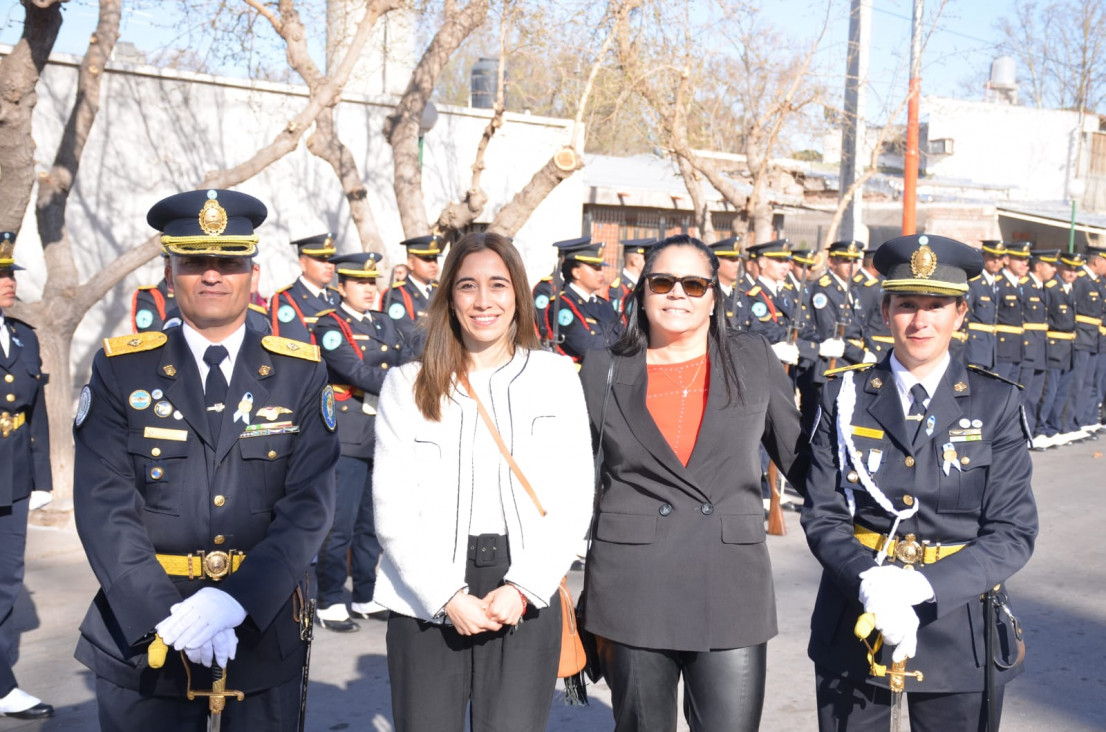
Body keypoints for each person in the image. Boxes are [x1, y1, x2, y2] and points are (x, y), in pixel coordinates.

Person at [72, 189, 340, 731]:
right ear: (170, 275)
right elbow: (105, 505)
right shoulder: (122, 371)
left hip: (262, 627)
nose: (212, 275)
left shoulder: (299, 372)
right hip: (146, 631)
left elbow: (309, 506)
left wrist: (238, 601)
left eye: (229, 262)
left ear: (253, 275)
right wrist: (159, 614)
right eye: (195, 262)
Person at [802, 233, 1037, 732]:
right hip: (856, 614)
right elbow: (823, 512)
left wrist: (925, 586)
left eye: (937, 305)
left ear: (961, 313)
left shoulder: (995, 403)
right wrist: (870, 581)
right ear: (885, 310)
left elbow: (1013, 532)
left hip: (959, 621)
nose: (920, 320)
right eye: (907, 304)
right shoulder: (843, 396)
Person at [579, 234, 806, 732]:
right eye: (663, 281)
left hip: (730, 582)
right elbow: (573, 475)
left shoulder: (751, 359)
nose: (677, 293)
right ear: (642, 291)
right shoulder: (605, 368)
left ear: (713, 296)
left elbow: (803, 461)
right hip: (633, 584)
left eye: (694, 283)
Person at [372, 232, 593, 732]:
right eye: (468, 286)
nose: (483, 300)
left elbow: (574, 497)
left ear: (518, 294)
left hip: (523, 586)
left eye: (498, 284)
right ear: (449, 296)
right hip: (426, 591)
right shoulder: (406, 385)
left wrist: (523, 586)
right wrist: (446, 595)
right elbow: (392, 509)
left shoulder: (555, 377)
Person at [312, 252, 407, 632]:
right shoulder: (330, 325)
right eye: (360, 283)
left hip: (381, 431)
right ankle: (331, 597)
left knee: (373, 521)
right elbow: (354, 371)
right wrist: (407, 382)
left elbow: (408, 355)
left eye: (372, 282)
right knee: (341, 523)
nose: (369, 289)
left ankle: (365, 593)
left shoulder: (384, 322)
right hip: (348, 434)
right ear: (342, 287)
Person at [0, 233, 54, 721]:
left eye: (9, 274)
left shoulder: (23, 336)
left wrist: (42, 480)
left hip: (12, 477)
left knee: (5, 581)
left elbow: (33, 414)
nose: (8, 283)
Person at [798, 240, 872, 434]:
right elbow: (829, 333)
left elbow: (861, 328)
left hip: (849, 364)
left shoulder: (851, 289)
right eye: (846, 261)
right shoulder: (824, 289)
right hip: (832, 364)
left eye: (855, 261)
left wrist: (869, 352)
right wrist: (860, 355)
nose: (852, 266)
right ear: (832, 262)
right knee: (823, 427)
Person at [545, 237, 623, 363]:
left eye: (601, 268)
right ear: (577, 272)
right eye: (595, 268)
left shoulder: (604, 304)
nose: (601, 273)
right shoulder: (562, 304)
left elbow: (623, 336)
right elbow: (586, 345)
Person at [268, 232, 339, 343]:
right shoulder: (287, 299)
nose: (329, 266)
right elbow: (293, 345)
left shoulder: (338, 297)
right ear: (303, 264)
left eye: (331, 260)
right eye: (321, 260)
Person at [384, 234, 441, 355]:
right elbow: (410, 338)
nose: (433, 264)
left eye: (435, 259)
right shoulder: (398, 295)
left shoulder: (442, 291)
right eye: (427, 259)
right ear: (410, 263)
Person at [963, 241, 1004, 369]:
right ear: (983, 257)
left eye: (1000, 258)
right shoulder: (975, 283)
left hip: (989, 346)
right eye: (992, 257)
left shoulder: (995, 284)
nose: (996, 261)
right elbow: (965, 313)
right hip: (975, 346)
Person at [708, 236, 747, 330]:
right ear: (715, 263)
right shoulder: (709, 295)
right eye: (732, 260)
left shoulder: (740, 294)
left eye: (738, 260)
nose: (738, 264)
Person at [609, 237, 655, 315]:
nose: (650, 263)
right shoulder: (619, 288)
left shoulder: (643, 284)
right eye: (646, 259)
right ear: (635, 261)